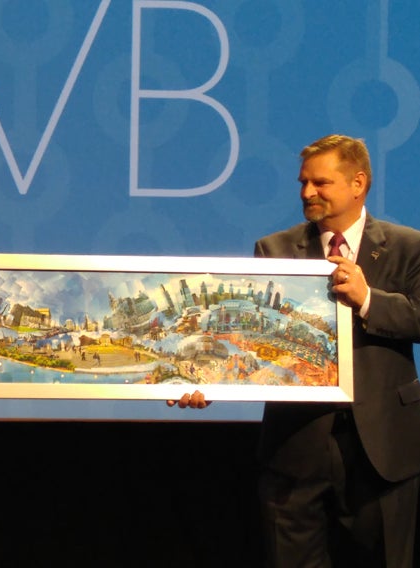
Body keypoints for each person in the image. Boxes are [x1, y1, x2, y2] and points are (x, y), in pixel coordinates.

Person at [179, 135, 420, 565]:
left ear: (358, 183)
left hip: (382, 445)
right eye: (303, 182)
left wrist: (369, 298)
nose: (307, 193)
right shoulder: (273, 250)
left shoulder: (408, 247)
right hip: (294, 447)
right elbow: (252, 339)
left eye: (321, 183)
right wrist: (206, 380)